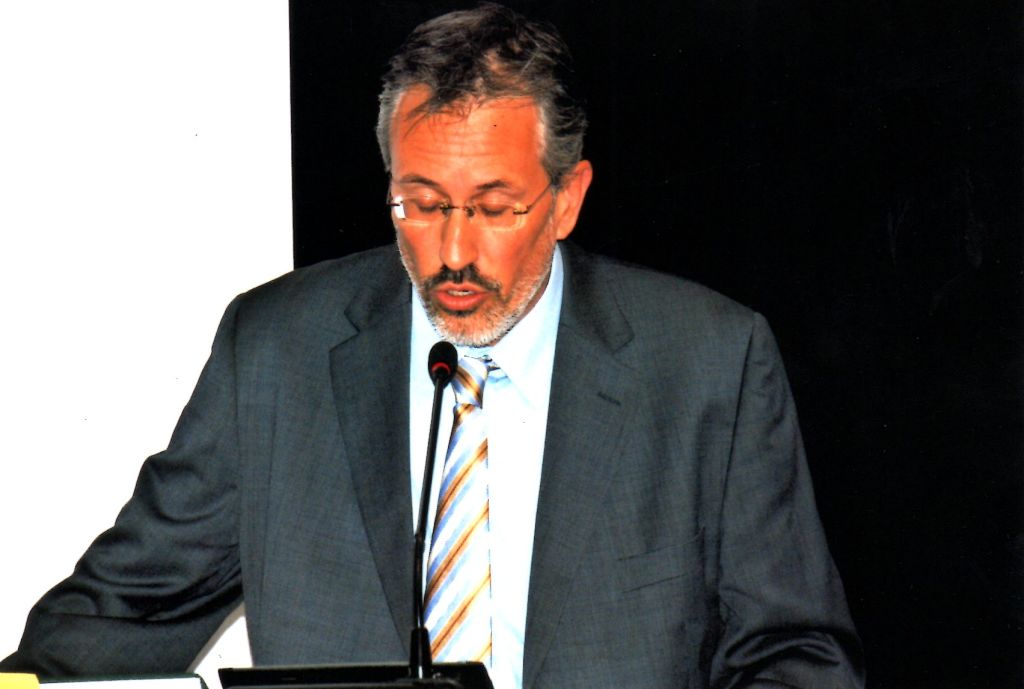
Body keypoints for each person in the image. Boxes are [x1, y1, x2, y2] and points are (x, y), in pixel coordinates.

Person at [1, 4, 864, 688]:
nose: (453, 251)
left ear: (566, 199)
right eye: (421, 203)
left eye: (493, 208)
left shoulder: (708, 364)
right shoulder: (275, 354)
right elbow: (118, 617)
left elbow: (795, 658)